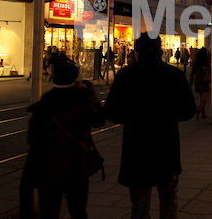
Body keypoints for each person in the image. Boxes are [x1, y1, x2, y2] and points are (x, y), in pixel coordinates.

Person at [105, 33, 196, 219]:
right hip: (166, 147)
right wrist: (167, 116)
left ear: (137, 52)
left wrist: (132, 118)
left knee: (139, 205)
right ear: (160, 50)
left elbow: (111, 112)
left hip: (136, 149)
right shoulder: (174, 75)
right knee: (169, 197)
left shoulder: (125, 75)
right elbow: (188, 111)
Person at [21, 62, 105, 219]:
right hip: (77, 166)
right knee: (78, 211)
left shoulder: (44, 103)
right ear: (76, 80)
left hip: (48, 168)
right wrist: (92, 96)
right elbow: (99, 121)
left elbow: (33, 139)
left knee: (49, 212)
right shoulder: (83, 101)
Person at [189, 47, 211, 119]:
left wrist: (190, 83)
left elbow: (192, 73)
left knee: (201, 98)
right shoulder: (206, 62)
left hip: (198, 82)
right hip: (204, 82)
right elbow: (209, 72)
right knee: (204, 99)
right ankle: (198, 110)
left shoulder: (196, 62)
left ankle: (203, 114)